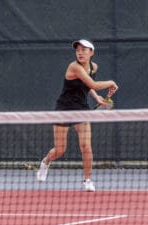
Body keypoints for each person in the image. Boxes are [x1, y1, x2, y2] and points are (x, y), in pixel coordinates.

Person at [36, 39, 118, 191]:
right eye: (78, 50)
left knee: (86, 145)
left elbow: (88, 85)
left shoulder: (94, 67)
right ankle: (46, 162)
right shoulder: (74, 67)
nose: (80, 52)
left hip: (81, 108)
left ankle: (87, 180)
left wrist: (97, 98)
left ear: (91, 52)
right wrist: (111, 82)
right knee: (60, 150)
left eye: (84, 50)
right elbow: (93, 84)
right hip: (64, 109)